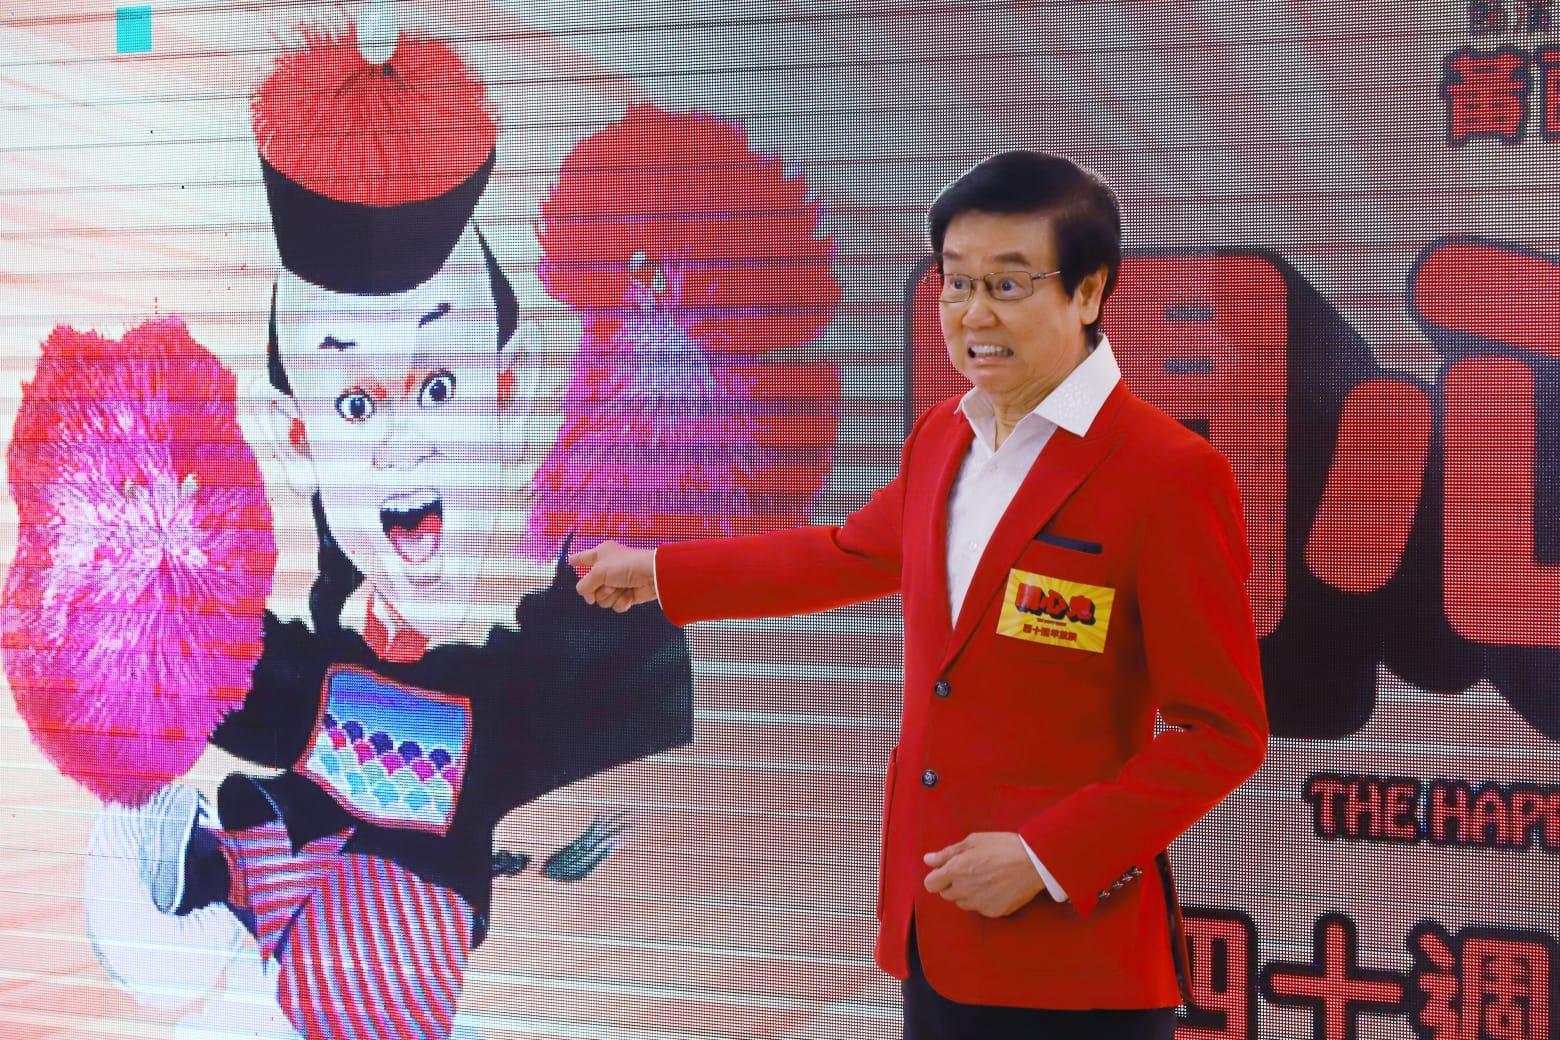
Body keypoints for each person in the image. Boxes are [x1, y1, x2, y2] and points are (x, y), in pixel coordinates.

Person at [571, 150, 1269, 1039]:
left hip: (1074, 956)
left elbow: (1222, 733)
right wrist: (662, 573)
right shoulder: (945, 434)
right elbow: (841, 555)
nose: (975, 314)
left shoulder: (1169, 473)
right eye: (956, 283)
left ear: (1089, 291)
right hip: (933, 927)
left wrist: (1045, 856)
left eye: (1008, 285)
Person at [132, 27, 692, 1039]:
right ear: (296, 436)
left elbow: (576, 703)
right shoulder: (291, 672)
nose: (404, 442)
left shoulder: (587, 644)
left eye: (438, 385)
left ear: (509, 386)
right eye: (354, 405)